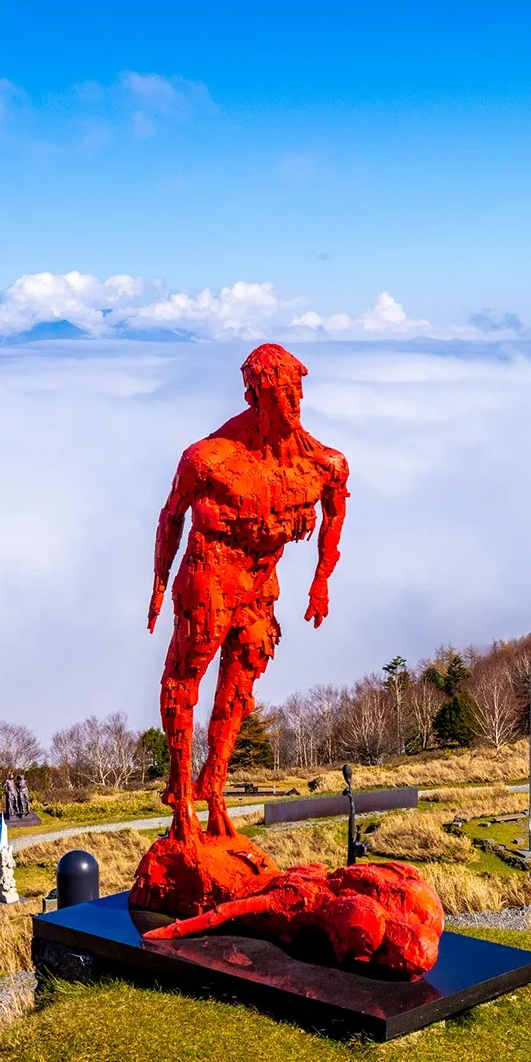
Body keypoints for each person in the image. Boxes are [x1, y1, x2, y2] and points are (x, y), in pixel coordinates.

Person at [148, 343, 348, 843]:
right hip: (210, 570)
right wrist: (159, 584)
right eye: (279, 391)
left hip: (262, 581)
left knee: (241, 683)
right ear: (253, 394)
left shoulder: (322, 463)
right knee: (185, 676)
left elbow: (334, 518)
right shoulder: (208, 459)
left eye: (296, 389)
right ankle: (181, 799)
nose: (291, 401)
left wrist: (320, 581)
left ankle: (213, 787)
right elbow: (171, 516)